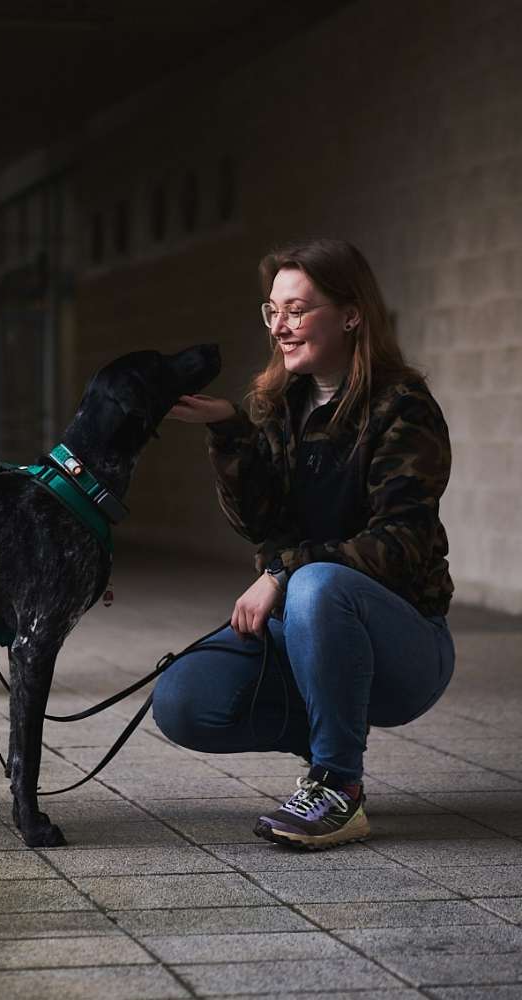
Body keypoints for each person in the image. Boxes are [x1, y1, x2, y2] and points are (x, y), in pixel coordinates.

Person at [155, 237, 455, 850]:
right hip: (307, 630)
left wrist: (284, 573)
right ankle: (327, 742)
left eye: (298, 310)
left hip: (406, 645)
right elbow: (258, 524)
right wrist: (228, 431)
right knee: (183, 698)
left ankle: (338, 786)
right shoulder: (279, 404)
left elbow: (401, 544)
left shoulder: (403, 408)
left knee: (317, 584)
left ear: (350, 314)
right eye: (273, 311)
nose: (281, 328)